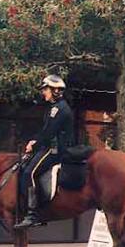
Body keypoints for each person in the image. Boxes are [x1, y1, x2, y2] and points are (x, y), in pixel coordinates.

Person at [14, 75, 75, 229]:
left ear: (55, 91)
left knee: (29, 173)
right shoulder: (53, 108)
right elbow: (45, 131)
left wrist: (34, 145)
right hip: (49, 147)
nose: (43, 93)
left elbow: (48, 133)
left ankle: (33, 214)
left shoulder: (59, 109)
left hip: (55, 150)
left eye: (46, 89)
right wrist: (34, 141)